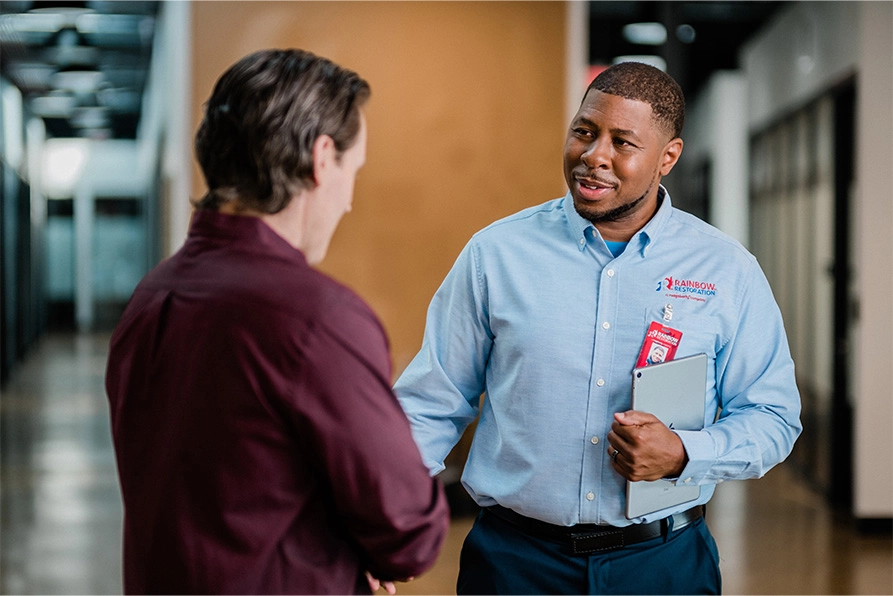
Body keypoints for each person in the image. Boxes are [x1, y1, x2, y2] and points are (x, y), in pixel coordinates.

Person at [394, 61, 802, 595]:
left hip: (663, 565)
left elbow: (773, 417)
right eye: (584, 131)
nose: (594, 156)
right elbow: (431, 403)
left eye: (622, 141)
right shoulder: (496, 256)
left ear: (668, 157)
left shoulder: (726, 270)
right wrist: (387, 525)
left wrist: (684, 453)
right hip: (515, 565)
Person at [105, 49, 449, 595]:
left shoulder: (152, 296)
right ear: (321, 157)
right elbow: (408, 531)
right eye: (351, 172)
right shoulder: (315, 318)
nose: (349, 202)